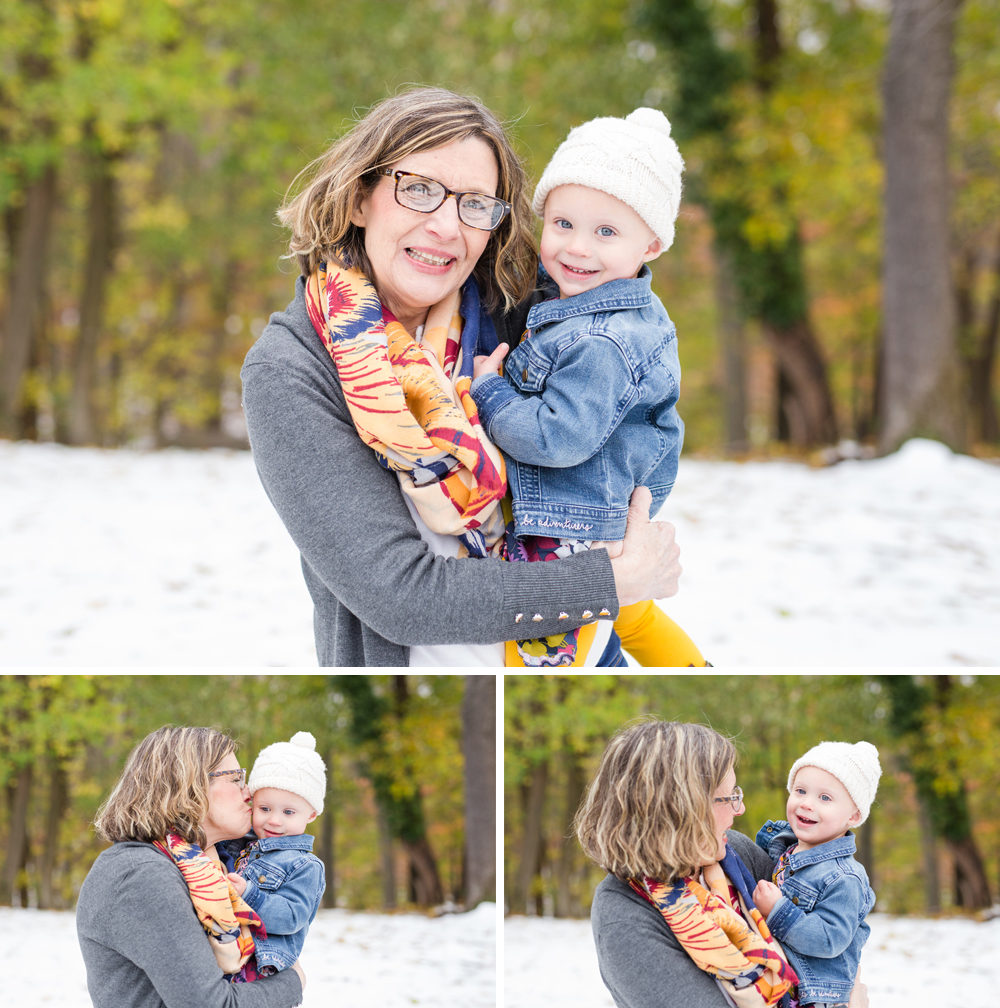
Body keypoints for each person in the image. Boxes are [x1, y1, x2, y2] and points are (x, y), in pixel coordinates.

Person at [240, 86, 683, 668]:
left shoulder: (523, 320)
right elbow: (401, 596)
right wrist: (607, 584)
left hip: (575, 663)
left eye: (475, 203)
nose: (447, 227)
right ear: (358, 198)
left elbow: (625, 435)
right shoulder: (292, 370)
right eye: (419, 190)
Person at [471, 108, 705, 667]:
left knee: (546, 655)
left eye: (606, 232)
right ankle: (688, 669)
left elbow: (559, 438)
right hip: (589, 511)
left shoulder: (602, 340)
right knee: (628, 615)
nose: (577, 248)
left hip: (568, 527)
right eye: (563, 224)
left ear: (651, 245)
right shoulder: (583, 304)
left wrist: (492, 394)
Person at [574, 719, 868, 1008]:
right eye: (728, 798)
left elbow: (829, 945)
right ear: (680, 808)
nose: (739, 810)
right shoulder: (624, 913)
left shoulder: (734, 855)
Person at [76, 725, 305, 1008]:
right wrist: (293, 982)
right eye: (235, 779)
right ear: (188, 786)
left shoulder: (205, 866)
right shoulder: (141, 875)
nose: (249, 792)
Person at [752, 741, 881, 1008]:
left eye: (825, 798)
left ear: (854, 815)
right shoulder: (785, 846)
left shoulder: (845, 878)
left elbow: (829, 939)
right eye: (800, 791)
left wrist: (778, 910)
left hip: (815, 997)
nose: (807, 804)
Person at [225, 732, 327, 979]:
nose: (274, 820)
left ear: (311, 815)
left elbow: (292, 917)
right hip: (231, 952)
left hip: (259, 966)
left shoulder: (305, 866)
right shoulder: (244, 843)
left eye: (288, 812)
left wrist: (249, 893)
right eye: (264, 808)